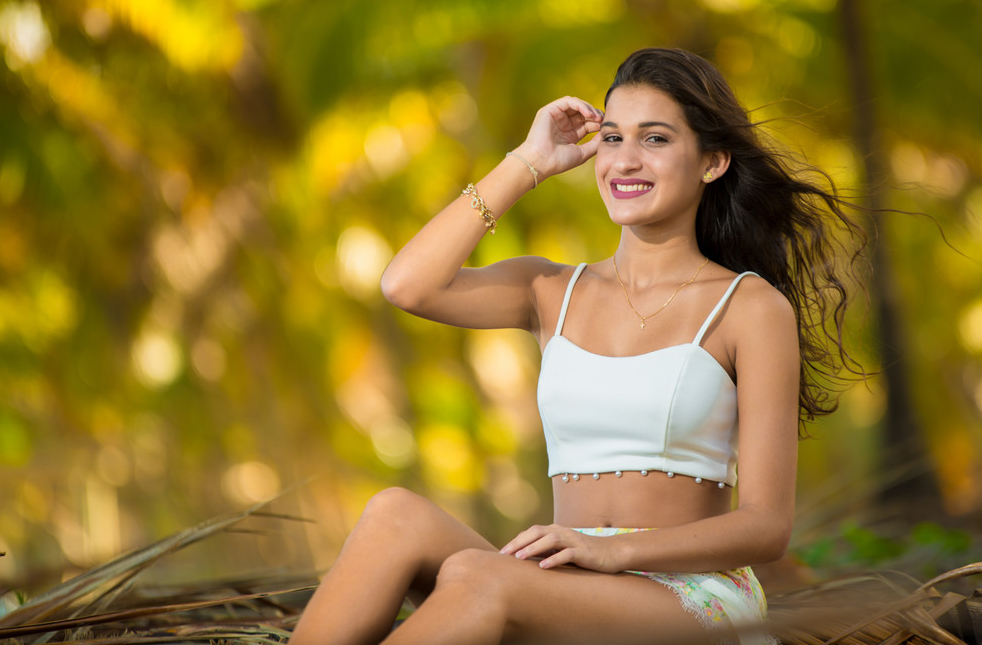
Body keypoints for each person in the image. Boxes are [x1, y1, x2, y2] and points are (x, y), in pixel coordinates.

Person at [289, 47, 864, 645]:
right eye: (612, 138)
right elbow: (406, 285)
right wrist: (529, 161)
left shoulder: (749, 307)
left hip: (690, 594)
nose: (625, 160)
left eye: (657, 139)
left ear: (713, 161)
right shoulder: (550, 290)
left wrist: (610, 550)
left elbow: (766, 527)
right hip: (565, 581)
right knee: (393, 515)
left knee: (479, 577)